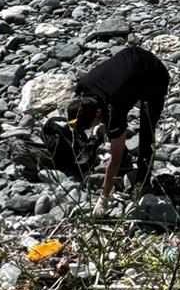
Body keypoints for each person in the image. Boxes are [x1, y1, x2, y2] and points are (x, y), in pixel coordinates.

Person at [71, 44, 170, 213]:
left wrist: (104, 197)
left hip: (154, 76)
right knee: (114, 132)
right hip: (130, 60)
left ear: (98, 114)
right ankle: (127, 162)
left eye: (93, 124)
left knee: (147, 131)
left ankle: (142, 179)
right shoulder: (83, 87)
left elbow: (113, 159)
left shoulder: (115, 106)